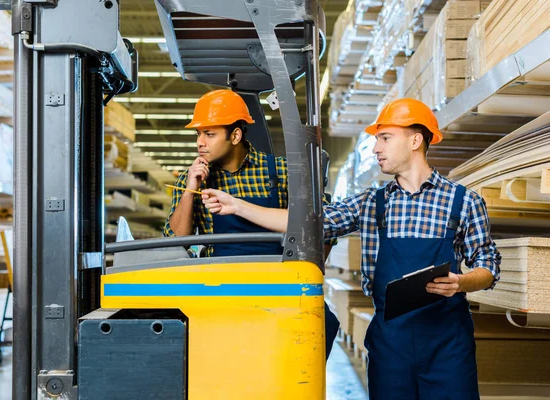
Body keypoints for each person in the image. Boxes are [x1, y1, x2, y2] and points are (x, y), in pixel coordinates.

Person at [201, 98, 502, 399]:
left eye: (385, 138)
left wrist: (461, 282)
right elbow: (307, 223)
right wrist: (236, 205)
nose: (375, 149)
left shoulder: (464, 201)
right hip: (391, 348)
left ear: (415, 140)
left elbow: (488, 266)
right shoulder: (372, 203)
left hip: (447, 347)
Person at [163, 89, 340, 359]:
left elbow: (326, 228)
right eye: (198, 134)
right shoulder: (194, 179)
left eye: (209, 134)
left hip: (277, 292)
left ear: (235, 135)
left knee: (322, 324)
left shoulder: (280, 172)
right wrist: (190, 190)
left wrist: (304, 273)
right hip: (219, 293)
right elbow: (175, 240)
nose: (200, 142)